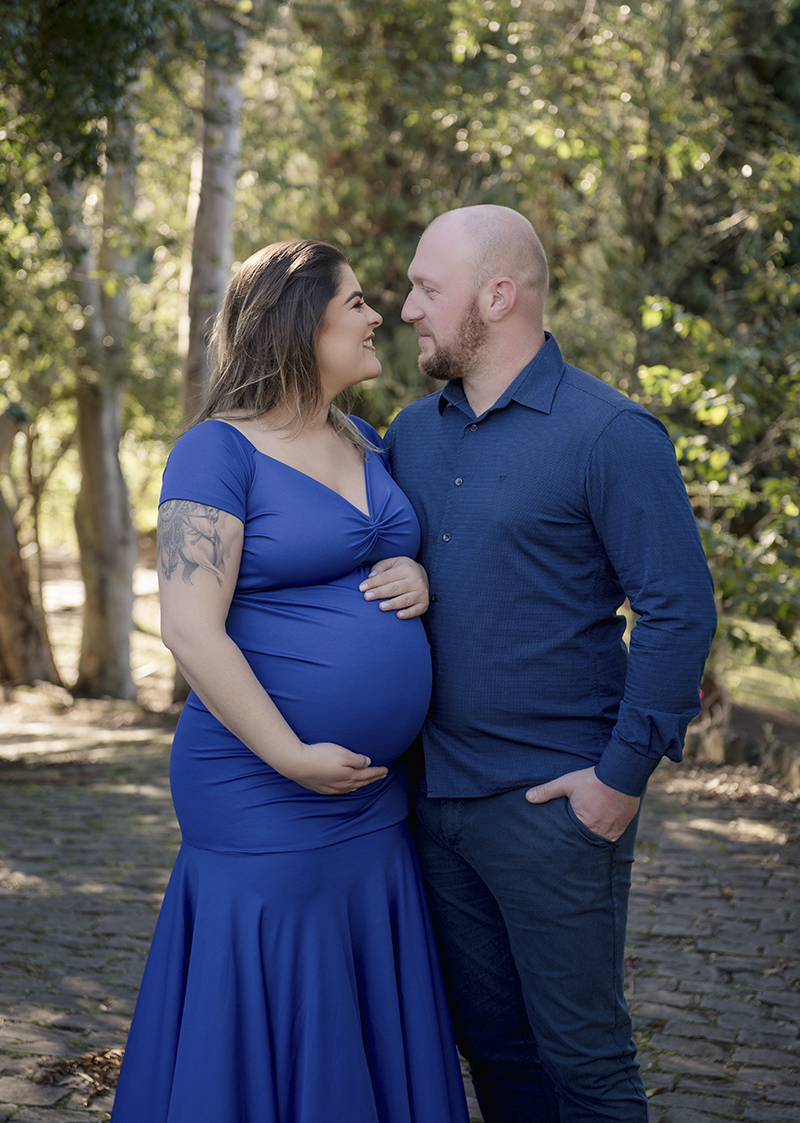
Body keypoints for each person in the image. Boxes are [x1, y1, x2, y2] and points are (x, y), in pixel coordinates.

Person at [366, 205, 717, 1122]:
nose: (407, 309)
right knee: (497, 1058)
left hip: (553, 808)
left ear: (499, 295)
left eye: (426, 289)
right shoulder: (411, 432)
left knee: (586, 1065)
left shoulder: (611, 434)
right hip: (433, 804)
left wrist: (621, 778)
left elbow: (679, 612)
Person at [111, 240, 469, 1123]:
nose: (378, 314)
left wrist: (416, 576)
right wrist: (291, 755)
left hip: (370, 801)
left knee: (357, 1000)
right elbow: (190, 629)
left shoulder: (366, 441)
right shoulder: (215, 454)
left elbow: (388, 557)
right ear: (301, 321)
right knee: (271, 999)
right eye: (355, 302)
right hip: (262, 786)